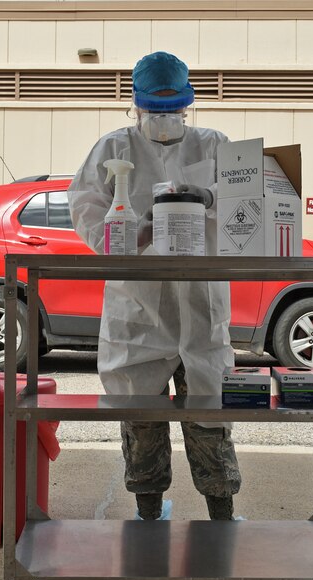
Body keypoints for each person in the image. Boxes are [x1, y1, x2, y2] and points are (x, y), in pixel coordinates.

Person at [68, 51, 241, 521]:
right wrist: (134, 230)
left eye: (173, 109)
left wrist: (207, 197)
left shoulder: (214, 145)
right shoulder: (113, 148)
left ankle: (221, 513)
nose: (164, 119)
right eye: (155, 109)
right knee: (142, 419)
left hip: (202, 304)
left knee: (210, 415)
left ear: (189, 103)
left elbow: (248, 205)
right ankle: (148, 512)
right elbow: (84, 208)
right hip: (139, 307)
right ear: (136, 103)